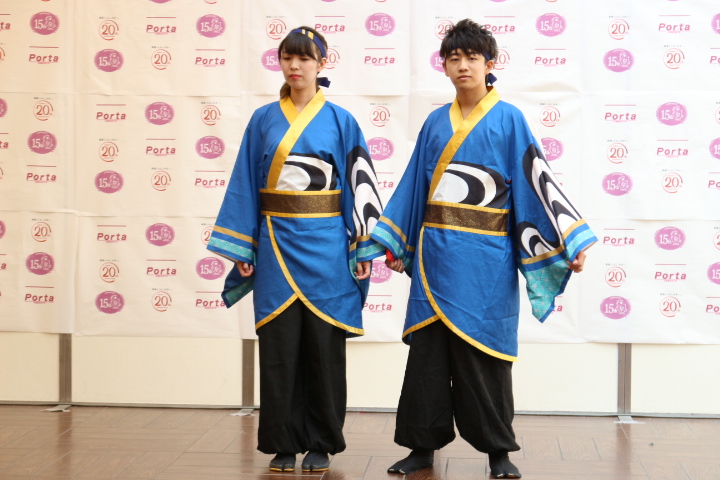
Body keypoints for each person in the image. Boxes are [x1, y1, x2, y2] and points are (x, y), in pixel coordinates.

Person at [370, 19, 597, 479]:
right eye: (454, 58)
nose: (463, 66)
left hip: (487, 263)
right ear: (444, 66)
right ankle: (420, 448)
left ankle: (498, 453)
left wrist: (564, 240)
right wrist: (399, 242)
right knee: (428, 359)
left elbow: (536, 184)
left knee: (485, 358)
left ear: (490, 63)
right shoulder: (435, 123)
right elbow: (414, 188)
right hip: (435, 257)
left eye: (472, 57)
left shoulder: (509, 119)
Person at [207, 26, 384, 473]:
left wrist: (362, 247)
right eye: (288, 57)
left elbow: (360, 185)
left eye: (305, 58)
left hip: (328, 248)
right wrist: (244, 246)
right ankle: (282, 443)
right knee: (279, 349)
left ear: (322, 64)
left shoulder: (342, 120)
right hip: (274, 244)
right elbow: (246, 182)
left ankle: (322, 441)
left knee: (324, 350)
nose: (295, 66)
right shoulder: (263, 119)